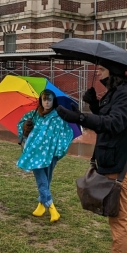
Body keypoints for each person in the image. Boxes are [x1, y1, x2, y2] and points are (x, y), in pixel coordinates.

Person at [57, 63, 127, 253]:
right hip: (116, 161)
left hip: (120, 165)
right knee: (125, 215)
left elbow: (114, 123)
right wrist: (94, 104)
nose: (99, 70)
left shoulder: (125, 94)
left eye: (103, 67)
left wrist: (79, 118)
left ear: (113, 70)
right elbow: (107, 117)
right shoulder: (116, 92)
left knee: (119, 218)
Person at [16, 90, 74, 223]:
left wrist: (58, 150)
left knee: (46, 178)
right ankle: (51, 207)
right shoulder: (34, 115)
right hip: (34, 152)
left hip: (51, 153)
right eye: (44, 99)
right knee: (41, 178)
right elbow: (22, 126)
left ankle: (41, 205)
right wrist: (26, 127)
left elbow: (67, 133)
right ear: (41, 100)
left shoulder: (58, 117)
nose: (47, 102)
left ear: (54, 101)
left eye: (49, 99)